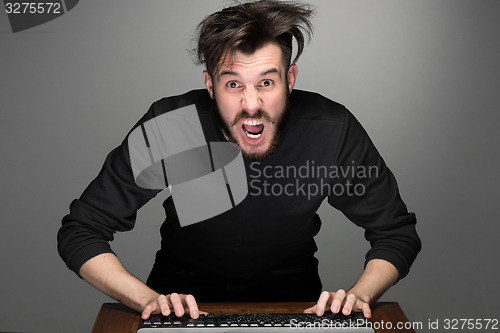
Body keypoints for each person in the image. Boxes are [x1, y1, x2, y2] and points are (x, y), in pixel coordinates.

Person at [57, 0, 421, 322]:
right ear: (210, 85)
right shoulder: (173, 124)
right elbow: (81, 231)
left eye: (266, 82)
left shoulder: (332, 128)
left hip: (294, 301)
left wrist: (360, 295)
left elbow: (395, 232)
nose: (251, 104)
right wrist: (149, 301)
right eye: (233, 84)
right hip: (180, 298)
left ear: (289, 79)